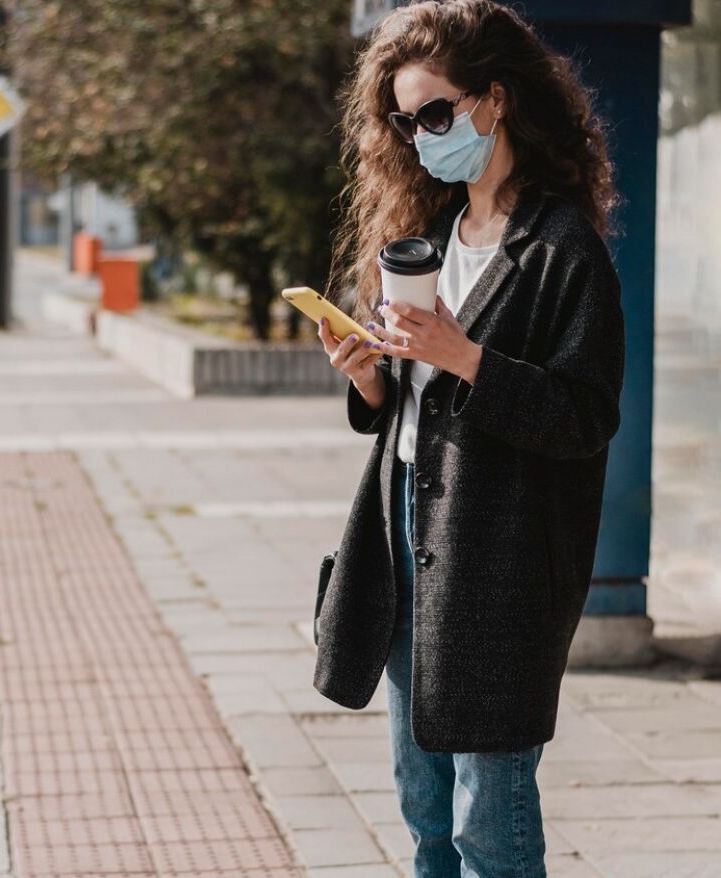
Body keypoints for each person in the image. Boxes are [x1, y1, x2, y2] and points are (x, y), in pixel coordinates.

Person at [311, 2, 625, 875]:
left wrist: (466, 358)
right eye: (406, 122)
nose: (421, 138)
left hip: (501, 562)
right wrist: (369, 379)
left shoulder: (562, 250)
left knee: (488, 822)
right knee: (423, 809)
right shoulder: (428, 240)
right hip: (404, 540)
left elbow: (585, 417)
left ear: (495, 99)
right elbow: (412, 407)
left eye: (437, 114)